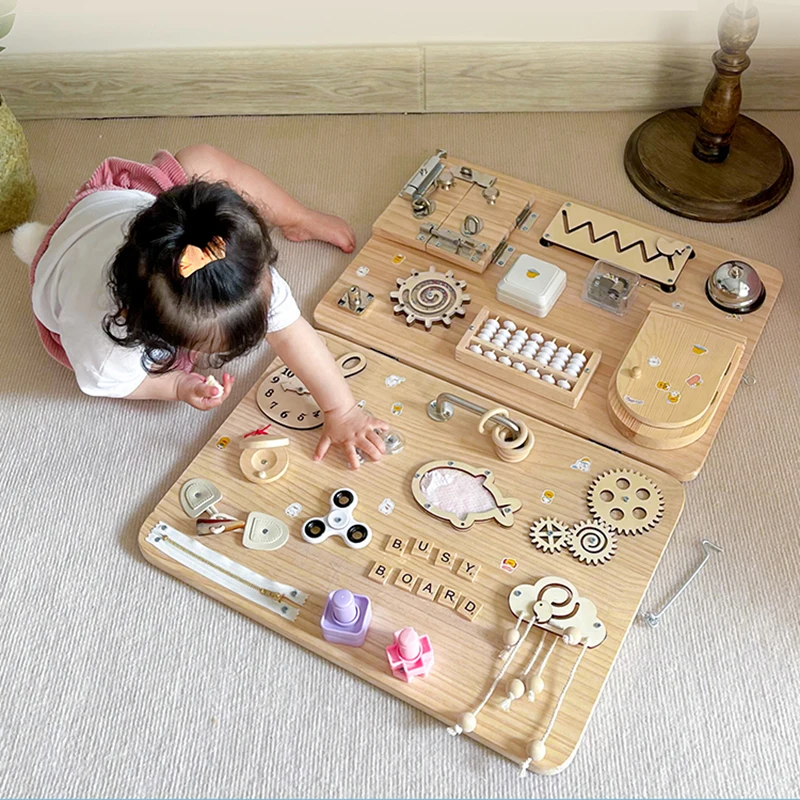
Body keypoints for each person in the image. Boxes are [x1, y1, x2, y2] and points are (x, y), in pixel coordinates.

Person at [14, 145, 387, 469]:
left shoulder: (237, 266)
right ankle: (41, 244)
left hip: (124, 211)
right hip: (67, 268)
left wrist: (342, 410)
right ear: (149, 328)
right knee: (144, 361)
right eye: (206, 347)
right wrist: (176, 385)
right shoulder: (105, 347)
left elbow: (291, 334)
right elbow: (123, 384)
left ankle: (297, 218)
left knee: (201, 160)